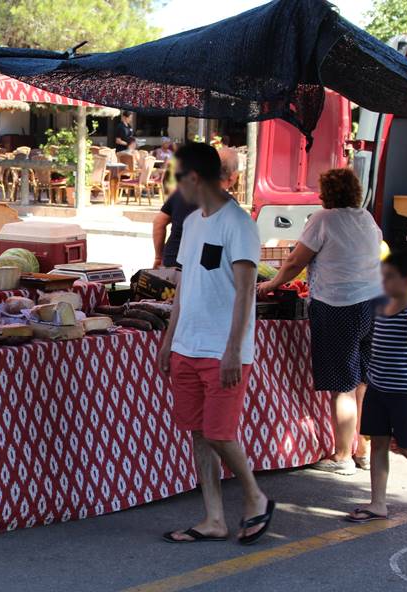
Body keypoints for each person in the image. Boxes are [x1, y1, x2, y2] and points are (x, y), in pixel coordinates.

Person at [159, 143, 274, 545]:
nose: (174, 188)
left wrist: (233, 350)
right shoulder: (192, 223)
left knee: (219, 433)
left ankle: (255, 497)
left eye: (177, 179)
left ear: (194, 178)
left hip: (223, 350)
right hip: (186, 346)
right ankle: (214, 518)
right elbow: (185, 286)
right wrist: (169, 341)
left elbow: (245, 292)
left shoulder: (238, 223)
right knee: (198, 433)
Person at [257, 168, 382, 475]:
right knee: (362, 382)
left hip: (338, 305)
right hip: (372, 304)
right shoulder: (366, 218)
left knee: (343, 386)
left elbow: (294, 261)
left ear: (328, 193)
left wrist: (270, 285)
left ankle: (342, 457)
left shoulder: (323, 219)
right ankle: (362, 450)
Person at [345, 251, 407, 523]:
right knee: (378, 443)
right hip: (377, 386)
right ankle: (378, 504)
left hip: (405, 391)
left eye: (389, 277)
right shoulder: (381, 304)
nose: (383, 282)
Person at [153, 147, 239, 268]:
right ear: (233, 176)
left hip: (172, 264)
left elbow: (159, 222)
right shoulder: (229, 204)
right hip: (202, 271)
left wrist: (158, 257)